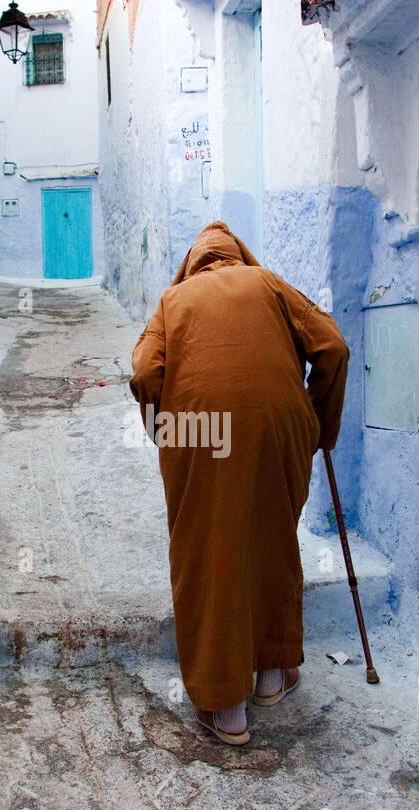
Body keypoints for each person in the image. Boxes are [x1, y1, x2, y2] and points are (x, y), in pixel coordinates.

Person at [129, 221, 349, 745]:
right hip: (279, 428)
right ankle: (272, 678)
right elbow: (334, 348)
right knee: (272, 540)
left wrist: (164, 430)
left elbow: (143, 373)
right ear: (237, 255)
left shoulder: (173, 299)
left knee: (210, 553)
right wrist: (317, 424)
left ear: (194, 262)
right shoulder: (269, 283)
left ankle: (227, 709)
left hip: (200, 431)